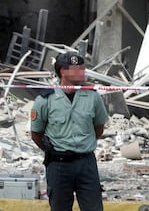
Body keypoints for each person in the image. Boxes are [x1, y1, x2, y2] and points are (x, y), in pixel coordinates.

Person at [30, 51, 109, 211]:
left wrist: (84, 144)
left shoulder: (93, 96)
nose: (82, 71)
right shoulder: (45, 99)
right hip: (59, 165)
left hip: (86, 163)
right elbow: (36, 133)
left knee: (93, 207)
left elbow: (98, 127)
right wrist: (52, 150)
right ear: (63, 72)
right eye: (77, 68)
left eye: (82, 67)